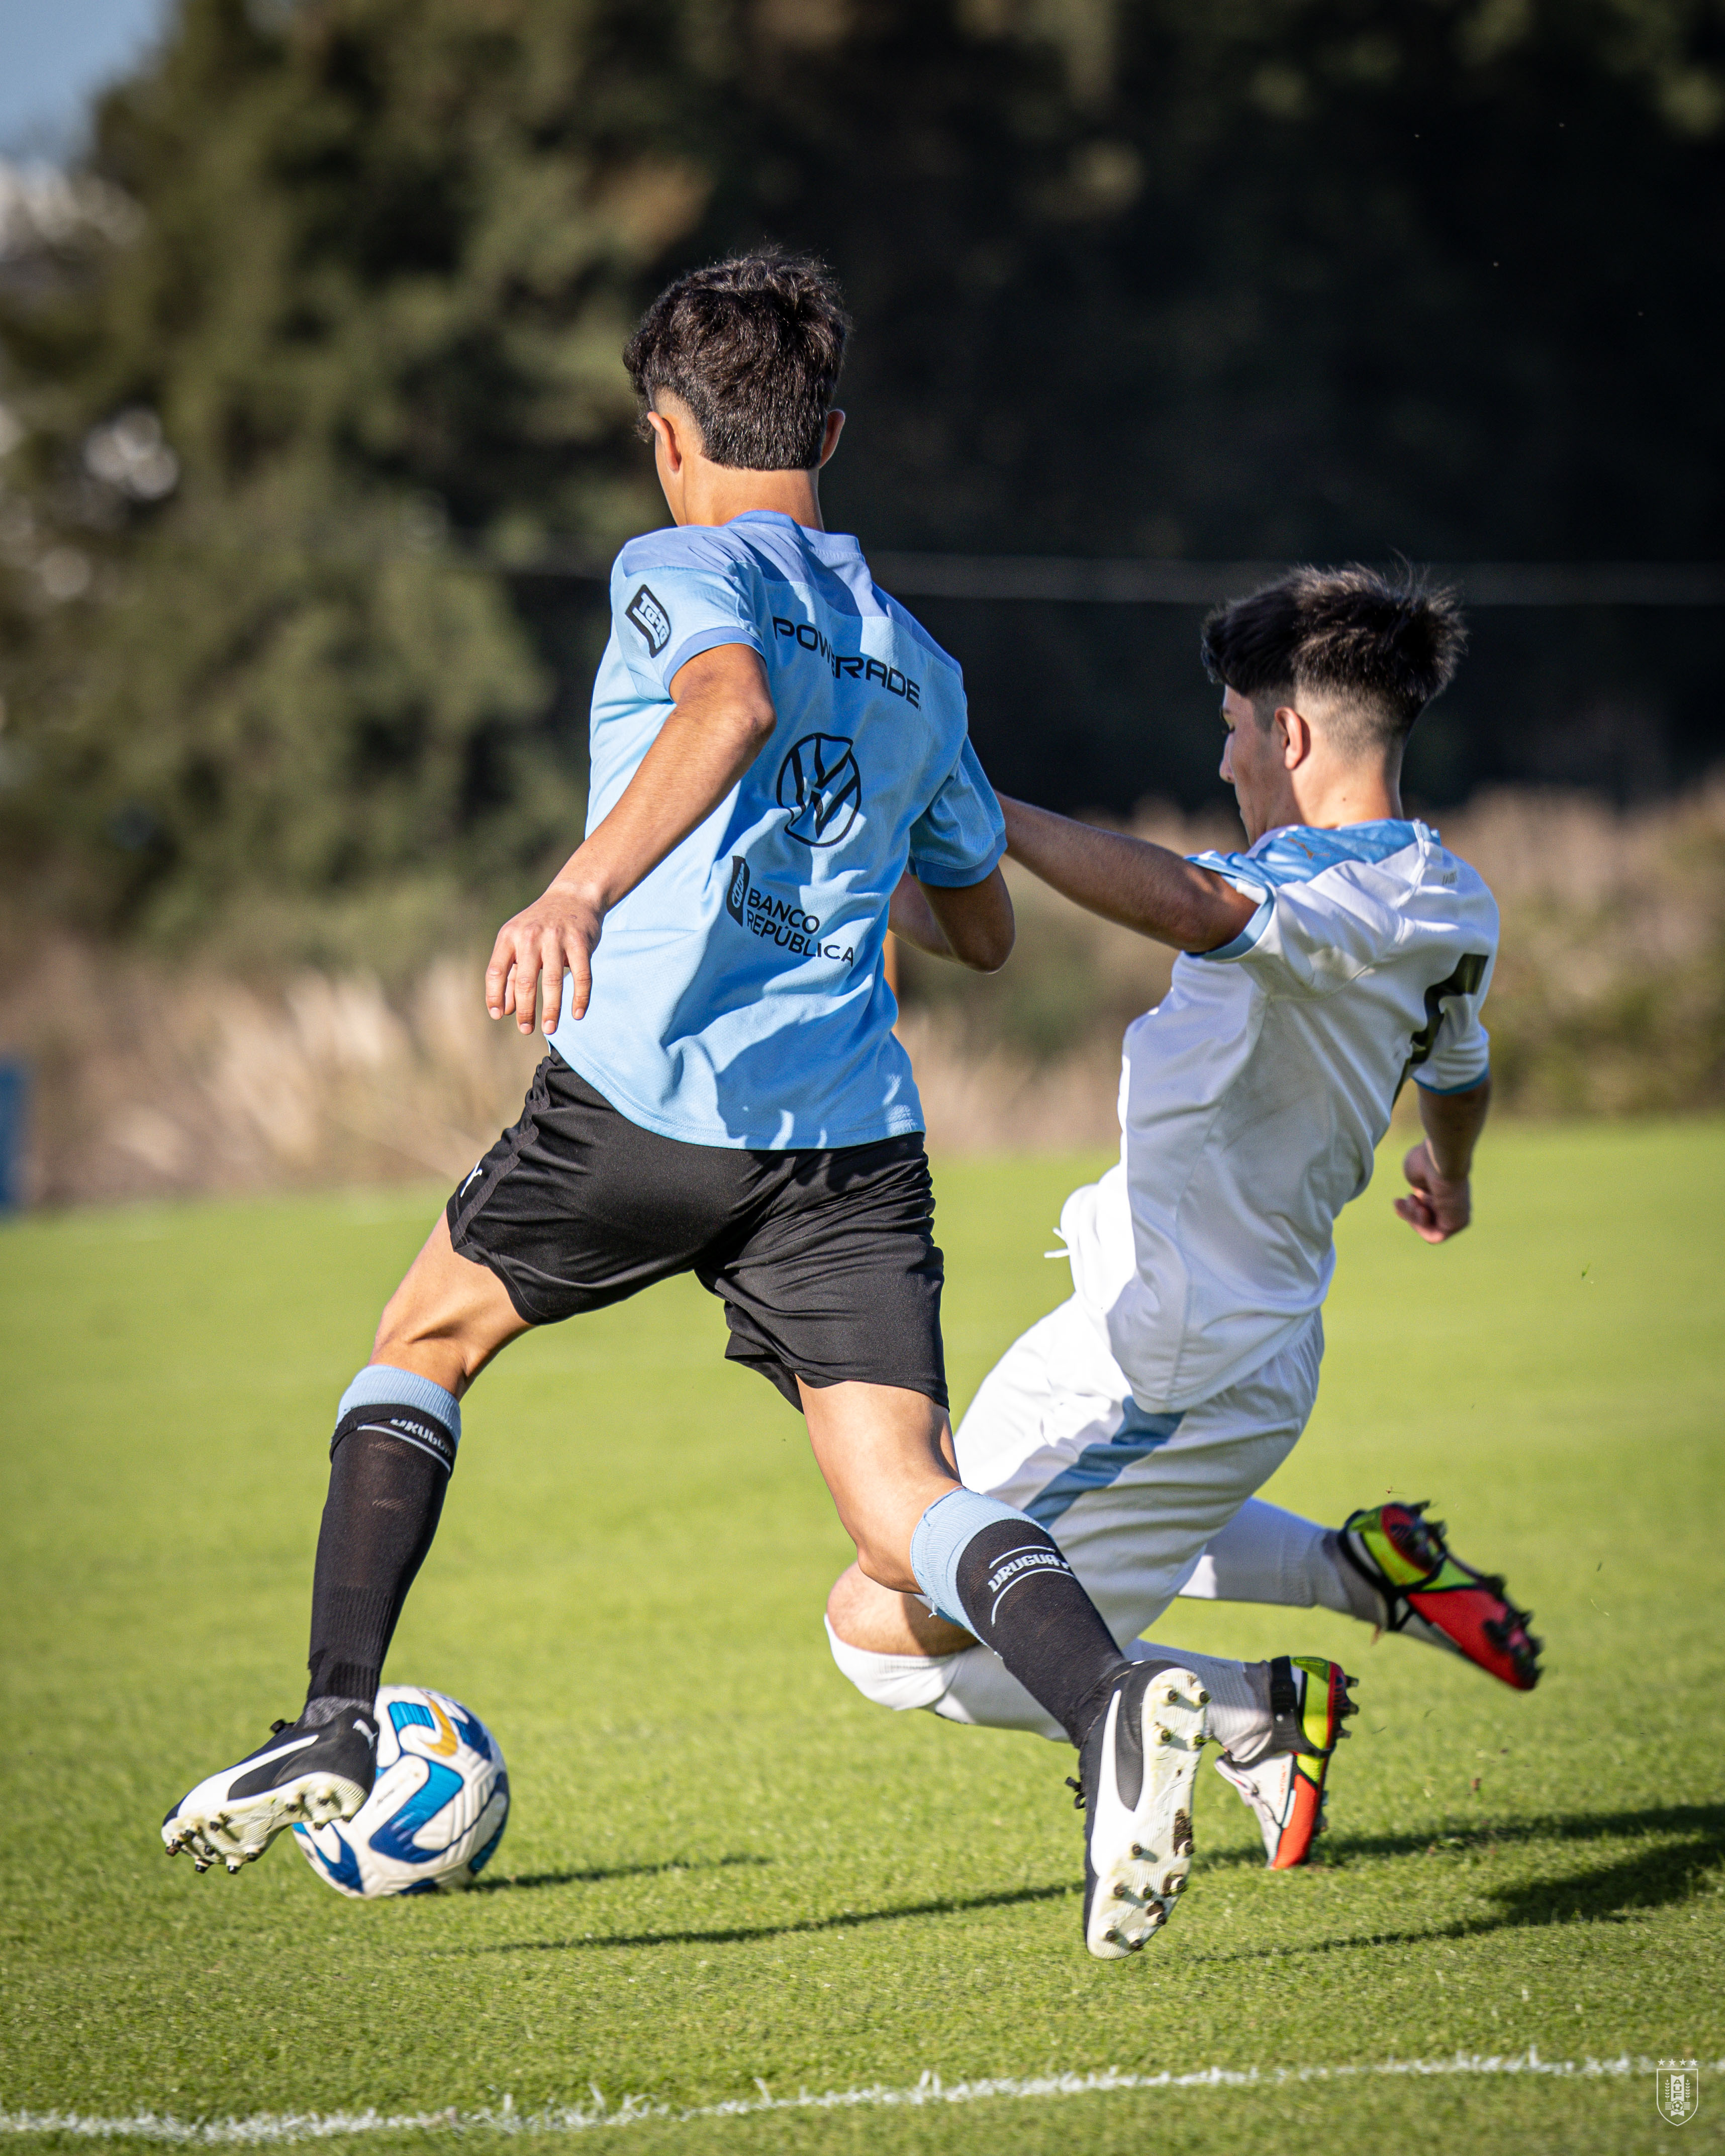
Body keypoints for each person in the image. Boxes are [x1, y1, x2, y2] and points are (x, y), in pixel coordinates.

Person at [161, 252, 1224, 1962]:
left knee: (427, 1334)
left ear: (670, 437)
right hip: (847, 1141)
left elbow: (723, 700)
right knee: (901, 1493)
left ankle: (343, 1715)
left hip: (652, 1097)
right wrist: (854, 854)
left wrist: (578, 889)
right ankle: (1103, 1700)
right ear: (835, 429)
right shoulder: (921, 664)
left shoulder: (680, 560)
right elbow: (983, 927)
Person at [829, 566, 1538, 1894]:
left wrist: (980, 805)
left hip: (1175, 1360)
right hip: (1161, 1322)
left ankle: (1246, 1710)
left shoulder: (1329, 891)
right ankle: (1350, 1573)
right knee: (958, 1539)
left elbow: (1195, 905)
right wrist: (1452, 1174)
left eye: (1228, 724)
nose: (1219, 757)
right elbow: (1457, 1062)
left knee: (880, 1629)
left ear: (1290, 736)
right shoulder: (1450, 895)